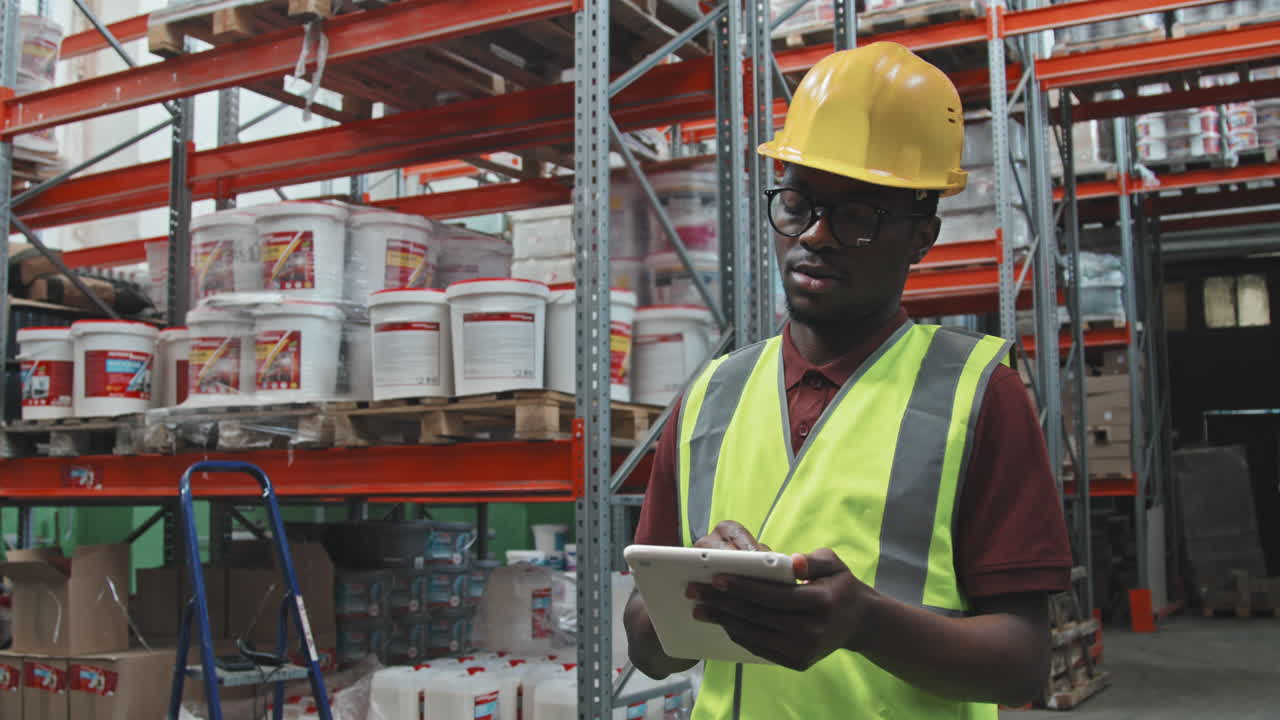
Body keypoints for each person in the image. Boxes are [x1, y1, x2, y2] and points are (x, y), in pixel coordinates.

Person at [623, 42, 1073, 719]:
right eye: (799, 203)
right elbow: (651, 648)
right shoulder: (709, 398)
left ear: (924, 235)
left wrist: (864, 622)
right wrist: (684, 605)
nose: (817, 236)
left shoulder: (979, 396)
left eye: (858, 216)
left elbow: (1021, 666)